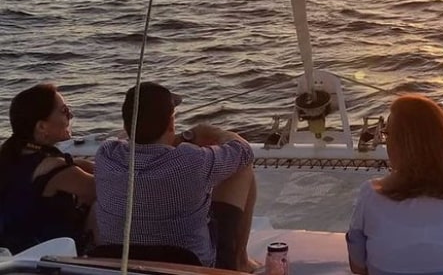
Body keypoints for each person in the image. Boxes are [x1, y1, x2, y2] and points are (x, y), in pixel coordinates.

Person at [94, 82, 257, 271]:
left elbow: (131, 141)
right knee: (242, 167)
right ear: (171, 122)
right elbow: (244, 151)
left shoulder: (106, 154)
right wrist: (211, 132)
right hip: (190, 267)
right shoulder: (190, 160)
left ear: (126, 124)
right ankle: (240, 261)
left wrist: (177, 138)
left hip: (119, 263)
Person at [346, 94, 443, 275]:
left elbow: (358, 266)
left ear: (399, 144)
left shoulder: (370, 196)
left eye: (387, 134)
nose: (385, 140)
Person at [0, 83, 96, 254]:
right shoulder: (54, 168)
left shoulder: (12, 155)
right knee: (100, 205)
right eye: (64, 111)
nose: (71, 115)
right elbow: (113, 187)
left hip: (14, 248)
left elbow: (76, 164)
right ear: (42, 127)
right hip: (48, 256)